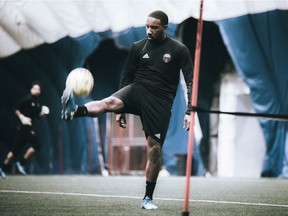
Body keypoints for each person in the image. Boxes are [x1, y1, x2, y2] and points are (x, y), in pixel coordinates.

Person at [61, 10, 193, 210]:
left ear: (164, 28)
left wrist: (189, 111)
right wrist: (119, 110)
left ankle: (147, 198)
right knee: (109, 102)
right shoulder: (137, 47)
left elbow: (190, 81)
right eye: (147, 26)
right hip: (137, 89)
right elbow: (127, 77)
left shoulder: (179, 50)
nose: (149, 31)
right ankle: (73, 112)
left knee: (154, 151)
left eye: (154, 27)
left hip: (160, 102)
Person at [0, 81, 49, 179]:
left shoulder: (37, 102)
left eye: (38, 89)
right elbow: (16, 108)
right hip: (24, 128)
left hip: (27, 129)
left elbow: (38, 116)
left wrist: (43, 114)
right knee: (37, 145)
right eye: (35, 88)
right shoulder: (27, 99)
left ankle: (3, 168)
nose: (36, 90)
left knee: (14, 152)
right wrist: (22, 117)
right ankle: (21, 163)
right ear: (31, 89)